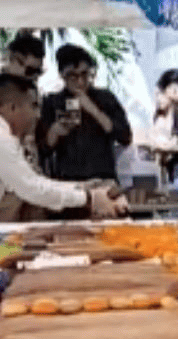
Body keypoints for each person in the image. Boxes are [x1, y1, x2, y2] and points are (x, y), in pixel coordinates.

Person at [0, 74, 127, 219]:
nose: (37, 115)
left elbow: (34, 182)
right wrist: (89, 197)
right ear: (12, 108)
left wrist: (83, 188)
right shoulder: (2, 138)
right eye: (33, 106)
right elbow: (31, 188)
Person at [39, 44, 132, 219]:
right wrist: (54, 133)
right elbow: (42, 150)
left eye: (85, 74)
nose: (80, 82)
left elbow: (125, 137)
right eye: (72, 76)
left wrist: (93, 110)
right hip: (68, 187)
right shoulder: (52, 102)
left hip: (104, 183)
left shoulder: (105, 98)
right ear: (62, 75)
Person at [0, 33, 48, 222]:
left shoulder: (31, 92)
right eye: (29, 71)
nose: (34, 78)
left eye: (38, 72)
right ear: (12, 59)